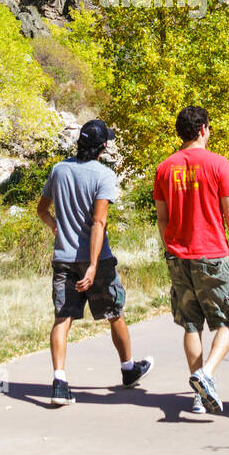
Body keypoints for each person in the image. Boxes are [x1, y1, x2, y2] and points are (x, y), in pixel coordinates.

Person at [37, 119, 153, 406]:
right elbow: (99, 222)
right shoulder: (103, 175)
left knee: (63, 317)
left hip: (64, 256)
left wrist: (55, 225)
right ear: (103, 147)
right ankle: (128, 369)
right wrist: (91, 266)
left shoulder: (59, 169)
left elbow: (42, 209)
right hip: (96, 260)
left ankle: (60, 381)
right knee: (114, 311)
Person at [153, 106, 229, 415]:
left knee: (191, 324)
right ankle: (206, 374)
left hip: (179, 255)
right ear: (204, 129)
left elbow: (162, 219)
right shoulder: (218, 164)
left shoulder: (165, 168)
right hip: (213, 254)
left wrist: (171, 247)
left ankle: (197, 395)